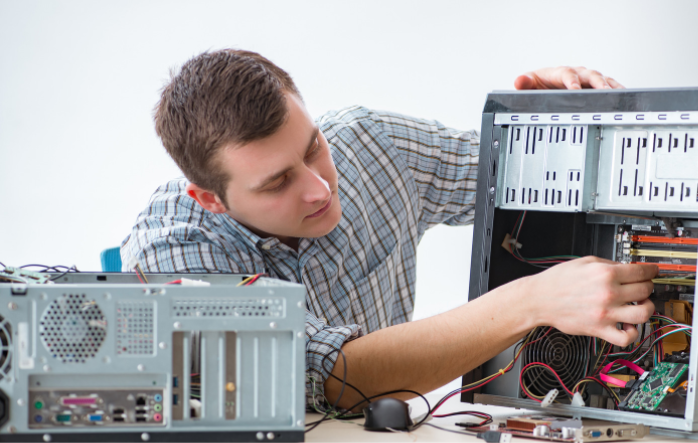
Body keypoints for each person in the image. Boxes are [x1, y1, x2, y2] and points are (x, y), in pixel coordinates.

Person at [121, 49, 656, 411]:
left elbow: (529, 183)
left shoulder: (372, 145)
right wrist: (530, 302)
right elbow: (335, 379)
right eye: (277, 182)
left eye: (312, 148)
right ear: (211, 198)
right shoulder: (174, 250)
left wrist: (560, 123)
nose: (319, 189)